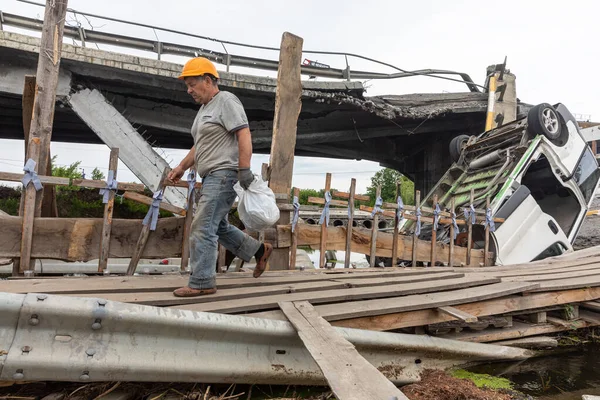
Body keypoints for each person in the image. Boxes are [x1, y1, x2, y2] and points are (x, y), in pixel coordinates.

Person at [168, 57, 272, 297]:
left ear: (208, 80)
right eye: (187, 85)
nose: (189, 90)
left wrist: (243, 169)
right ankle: (259, 251)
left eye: (192, 84)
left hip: (224, 174)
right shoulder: (205, 110)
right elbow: (200, 146)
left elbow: (243, 132)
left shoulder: (225, 100)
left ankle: (202, 281)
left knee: (202, 227)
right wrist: (182, 167)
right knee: (219, 225)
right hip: (212, 175)